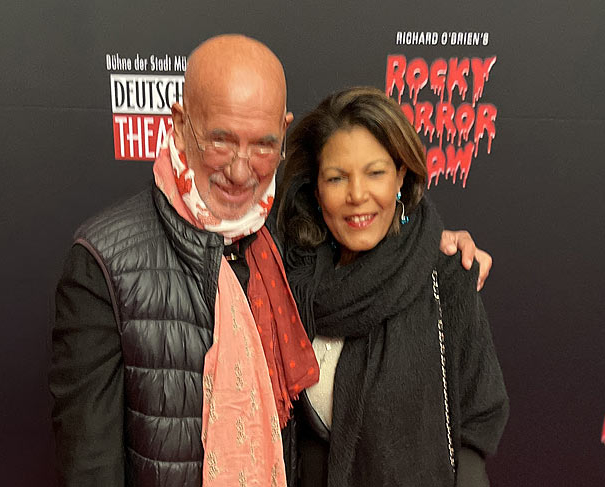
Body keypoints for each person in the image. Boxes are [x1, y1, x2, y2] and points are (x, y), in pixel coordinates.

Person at [50, 35, 493, 487]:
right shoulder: (102, 263)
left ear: (283, 133)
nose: (242, 170)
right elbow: (89, 467)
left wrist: (435, 242)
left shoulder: (284, 242)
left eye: (263, 145)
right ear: (181, 125)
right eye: (221, 140)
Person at [277, 86, 509, 486]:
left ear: (401, 175)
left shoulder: (445, 274)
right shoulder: (290, 282)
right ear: (316, 189)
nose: (357, 195)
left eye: (375, 173)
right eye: (336, 178)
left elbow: (480, 413)